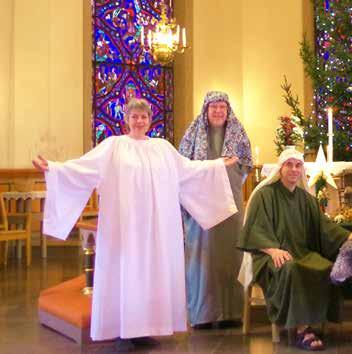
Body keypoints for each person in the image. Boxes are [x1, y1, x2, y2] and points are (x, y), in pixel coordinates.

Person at [33, 98, 238, 350]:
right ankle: (123, 331)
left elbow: (188, 171)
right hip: (125, 226)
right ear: (126, 120)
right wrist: (53, 168)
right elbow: (84, 168)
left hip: (158, 228)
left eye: (143, 117)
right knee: (126, 274)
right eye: (134, 117)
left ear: (150, 120)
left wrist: (217, 165)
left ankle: (144, 328)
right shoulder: (113, 147)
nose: (139, 121)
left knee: (153, 274)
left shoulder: (162, 148)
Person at [237, 149, 352, 351]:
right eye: (289, 165)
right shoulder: (264, 196)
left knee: (328, 267)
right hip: (268, 256)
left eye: (298, 165)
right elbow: (255, 229)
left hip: (301, 253)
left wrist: (351, 236)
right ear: (280, 168)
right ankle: (303, 329)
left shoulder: (307, 199)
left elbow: (324, 227)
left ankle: (314, 321)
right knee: (290, 269)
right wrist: (273, 250)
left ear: (302, 170)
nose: (293, 169)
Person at [178, 91, 252, 329]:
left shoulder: (238, 133)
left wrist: (229, 172)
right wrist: (216, 167)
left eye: (222, 107)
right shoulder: (192, 134)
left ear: (228, 110)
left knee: (231, 254)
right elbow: (182, 167)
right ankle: (203, 314)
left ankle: (231, 312)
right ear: (205, 110)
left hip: (230, 204)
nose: (219, 111)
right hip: (200, 206)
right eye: (214, 107)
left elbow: (246, 165)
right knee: (202, 255)